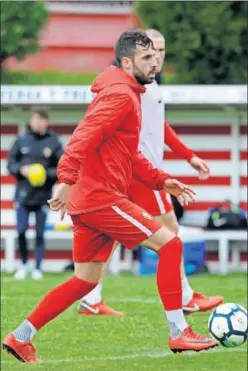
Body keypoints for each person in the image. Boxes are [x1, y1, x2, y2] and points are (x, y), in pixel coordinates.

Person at [3, 29, 218, 363]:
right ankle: (179, 333)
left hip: (92, 200)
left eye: (156, 55)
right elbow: (82, 137)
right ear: (128, 61)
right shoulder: (121, 94)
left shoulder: (127, 92)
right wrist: (65, 179)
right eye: (147, 57)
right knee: (171, 244)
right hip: (100, 199)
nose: (155, 63)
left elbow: (129, 155)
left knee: (84, 281)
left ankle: (20, 337)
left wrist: (161, 180)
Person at [78, 29, 224, 316]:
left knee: (113, 237)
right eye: (151, 50)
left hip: (141, 172)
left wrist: (189, 156)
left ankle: (91, 297)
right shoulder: (131, 88)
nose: (157, 56)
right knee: (171, 232)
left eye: (161, 51)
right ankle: (184, 297)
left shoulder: (150, 86)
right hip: (143, 174)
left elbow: (161, 127)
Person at [7, 107, 63, 280]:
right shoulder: (21, 140)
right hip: (23, 196)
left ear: (46, 121)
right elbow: (11, 164)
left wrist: (47, 173)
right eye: (33, 120)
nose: (36, 123)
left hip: (43, 197)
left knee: (40, 233)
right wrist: (21, 170)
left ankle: (38, 268)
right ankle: (23, 266)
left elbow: (62, 167)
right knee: (21, 231)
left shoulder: (54, 142)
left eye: (39, 119)